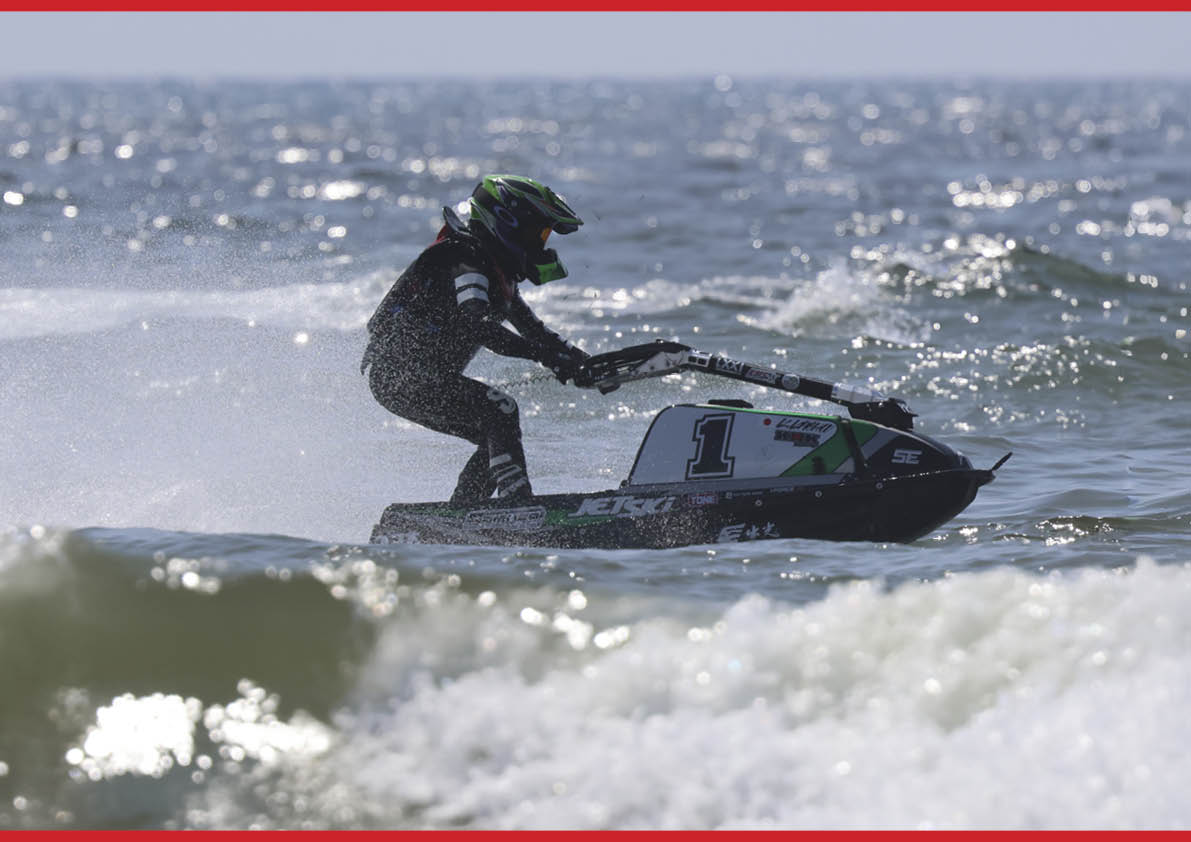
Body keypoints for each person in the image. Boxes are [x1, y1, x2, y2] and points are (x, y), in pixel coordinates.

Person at [361, 174, 590, 505]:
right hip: (398, 375)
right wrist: (546, 357)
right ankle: (516, 504)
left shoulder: (494, 270)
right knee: (500, 410)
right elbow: (478, 327)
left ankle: (464, 514)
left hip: (420, 377)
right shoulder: (466, 260)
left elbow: (536, 332)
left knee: (494, 434)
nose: (541, 245)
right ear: (507, 223)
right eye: (538, 233)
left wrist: (585, 362)